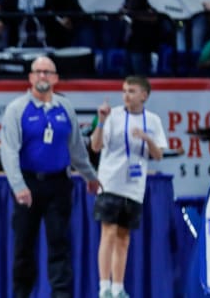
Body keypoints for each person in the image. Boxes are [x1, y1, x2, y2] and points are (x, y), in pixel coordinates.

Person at [0, 56, 101, 298]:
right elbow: (9, 151)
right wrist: (18, 186)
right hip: (29, 183)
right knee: (24, 247)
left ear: (55, 78)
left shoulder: (65, 108)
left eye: (47, 72)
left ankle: (61, 296)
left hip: (59, 184)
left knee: (59, 245)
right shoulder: (17, 109)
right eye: (38, 72)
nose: (42, 76)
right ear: (30, 77)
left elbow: (76, 148)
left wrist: (90, 176)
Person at [90, 76, 168, 298]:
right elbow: (96, 146)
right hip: (110, 182)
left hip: (134, 187)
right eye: (124, 91)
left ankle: (118, 288)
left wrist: (147, 139)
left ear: (144, 95)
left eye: (132, 91)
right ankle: (104, 286)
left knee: (124, 237)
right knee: (109, 233)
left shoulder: (152, 121)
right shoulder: (112, 115)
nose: (126, 95)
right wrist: (101, 121)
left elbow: (159, 155)